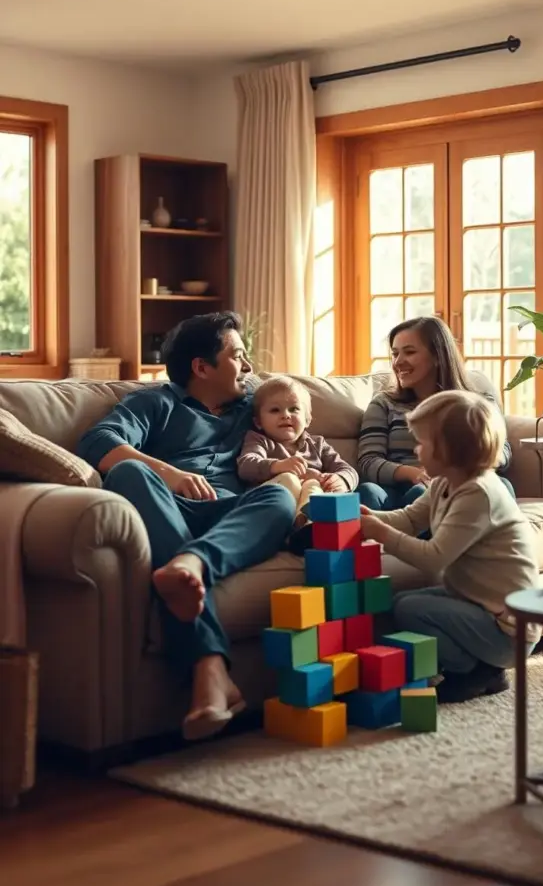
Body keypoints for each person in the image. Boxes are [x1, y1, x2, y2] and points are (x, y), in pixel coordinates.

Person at [76, 312, 296, 742]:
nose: (249, 367)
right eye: (238, 356)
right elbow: (96, 442)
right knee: (129, 475)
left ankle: (192, 564)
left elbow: (301, 427)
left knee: (280, 496)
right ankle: (209, 667)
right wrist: (170, 475)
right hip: (167, 509)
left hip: (229, 516)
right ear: (201, 367)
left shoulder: (253, 408)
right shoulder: (157, 402)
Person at [360, 390, 540, 703]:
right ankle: (485, 669)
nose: (415, 450)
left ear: (450, 449)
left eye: (421, 442)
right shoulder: (444, 482)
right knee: (401, 602)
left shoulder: (478, 494)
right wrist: (367, 517)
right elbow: (408, 518)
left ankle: (470, 671)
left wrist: (381, 534)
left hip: (508, 629)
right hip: (477, 605)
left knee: (409, 608)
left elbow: (434, 559)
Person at [358, 316, 513, 512]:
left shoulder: (478, 404)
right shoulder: (384, 403)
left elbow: (502, 452)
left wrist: (457, 471)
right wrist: (411, 474)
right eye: (395, 354)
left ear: (438, 356)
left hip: (462, 486)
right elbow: (368, 461)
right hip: (396, 492)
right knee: (369, 492)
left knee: (502, 487)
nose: (398, 362)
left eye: (410, 352)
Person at [237, 375, 358, 526]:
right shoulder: (258, 440)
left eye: (294, 409)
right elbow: (246, 465)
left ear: (307, 419)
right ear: (258, 422)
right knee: (289, 478)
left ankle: (305, 525)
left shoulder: (317, 444)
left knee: (313, 485)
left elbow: (348, 469)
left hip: (309, 508)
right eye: (275, 410)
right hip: (268, 508)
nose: (286, 415)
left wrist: (341, 480)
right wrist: (278, 466)